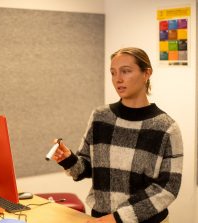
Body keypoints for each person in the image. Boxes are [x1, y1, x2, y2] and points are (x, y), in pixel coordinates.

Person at [52, 47, 183, 223]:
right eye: (113, 73)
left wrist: (118, 218)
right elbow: (87, 168)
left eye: (126, 71)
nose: (118, 79)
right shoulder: (100, 117)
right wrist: (68, 159)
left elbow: (167, 189)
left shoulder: (166, 127)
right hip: (101, 218)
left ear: (147, 73)